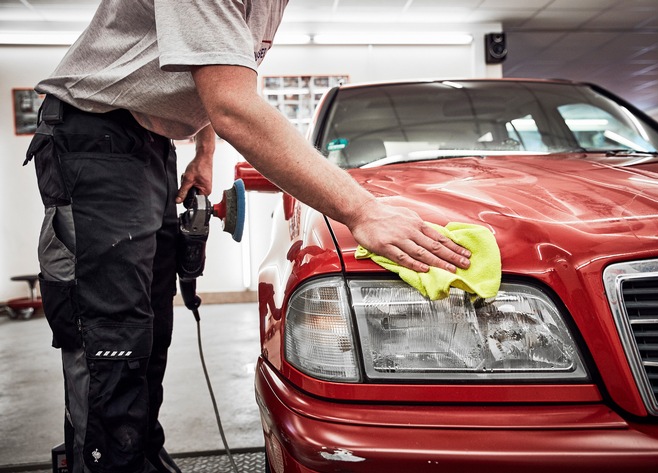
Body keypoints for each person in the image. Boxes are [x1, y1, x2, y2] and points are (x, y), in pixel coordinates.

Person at [25, 1, 472, 472]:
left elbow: (208, 82)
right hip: (93, 132)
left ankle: (136, 451)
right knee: (110, 329)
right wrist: (363, 210)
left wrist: (203, 150)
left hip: (149, 140)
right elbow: (233, 105)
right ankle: (101, 463)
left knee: (151, 323)